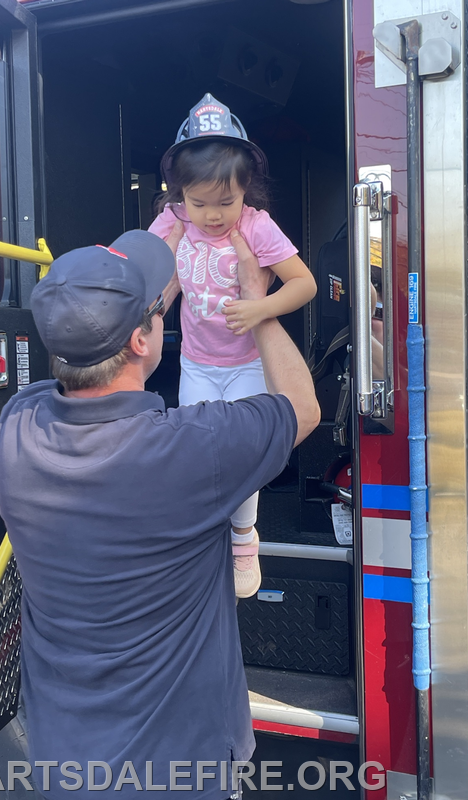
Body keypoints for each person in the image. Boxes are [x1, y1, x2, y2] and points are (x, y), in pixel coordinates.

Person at [0, 224, 320, 799]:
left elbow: (59, 388)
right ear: (142, 342)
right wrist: (259, 306)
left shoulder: (17, 427)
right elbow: (303, 408)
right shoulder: (194, 452)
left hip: (59, 769)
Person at [150, 93, 317, 599]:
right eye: (199, 203)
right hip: (197, 363)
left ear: (247, 190)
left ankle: (244, 538)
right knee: (197, 451)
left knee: (242, 453)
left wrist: (260, 308)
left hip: (246, 362)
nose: (213, 215)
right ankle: (204, 537)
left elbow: (303, 284)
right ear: (180, 194)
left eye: (226, 202)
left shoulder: (256, 224)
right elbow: (144, 273)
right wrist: (166, 260)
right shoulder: (175, 219)